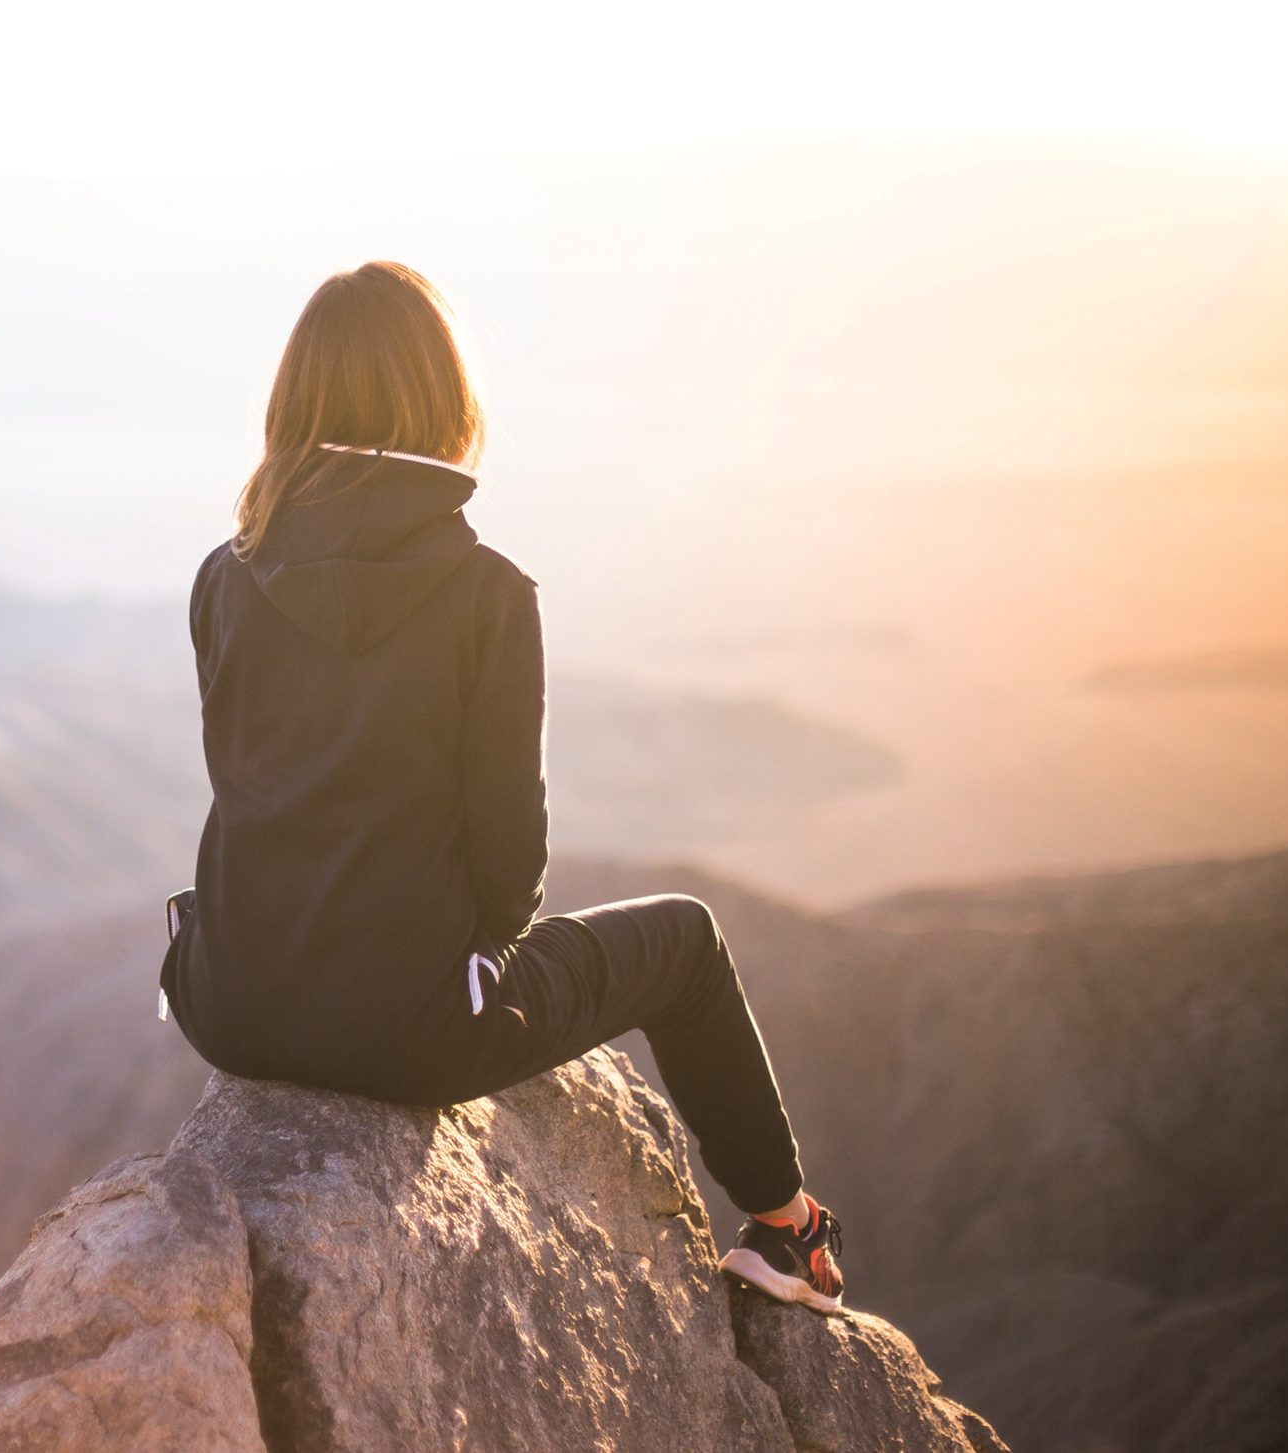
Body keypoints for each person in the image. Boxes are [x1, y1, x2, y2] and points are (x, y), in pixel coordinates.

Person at [157, 260, 844, 1311]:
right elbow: (511, 868)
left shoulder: (223, 572)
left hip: (227, 1000)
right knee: (690, 941)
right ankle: (786, 1228)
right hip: (410, 1031)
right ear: (443, 401)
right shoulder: (487, 594)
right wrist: (452, 969)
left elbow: (250, 784)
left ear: (292, 402)